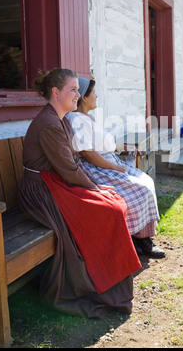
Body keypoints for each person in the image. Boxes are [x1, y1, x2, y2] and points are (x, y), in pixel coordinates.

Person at [18, 68, 142, 318]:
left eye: (78, 90)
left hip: (57, 182)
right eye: (73, 90)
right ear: (55, 92)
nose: (78, 94)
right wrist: (96, 188)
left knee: (113, 204)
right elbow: (69, 169)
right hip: (42, 190)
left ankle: (108, 280)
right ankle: (98, 284)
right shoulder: (50, 124)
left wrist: (98, 189)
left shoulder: (61, 118)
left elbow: (70, 167)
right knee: (109, 208)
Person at [66, 77, 165, 259]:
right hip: (97, 168)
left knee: (146, 182)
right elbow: (88, 154)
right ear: (84, 99)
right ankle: (131, 240)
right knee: (137, 192)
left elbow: (105, 144)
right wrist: (115, 167)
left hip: (108, 162)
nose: (97, 97)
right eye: (94, 94)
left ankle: (142, 238)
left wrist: (126, 147)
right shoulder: (75, 119)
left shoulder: (88, 118)